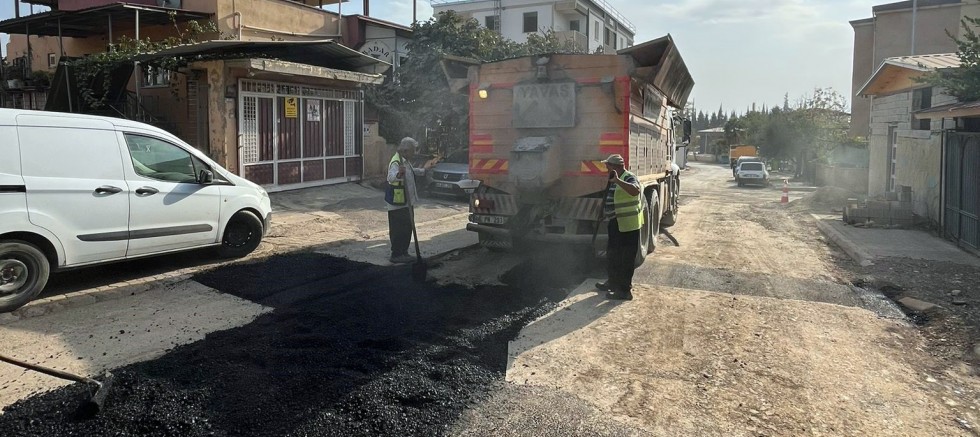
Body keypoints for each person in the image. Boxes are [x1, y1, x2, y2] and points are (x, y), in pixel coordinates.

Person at [595, 154, 643, 300]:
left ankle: (624, 291)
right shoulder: (613, 178)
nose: (606, 167)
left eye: (608, 165)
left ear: (615, 167)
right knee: (613, 255)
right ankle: (613, 283)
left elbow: (635, 190)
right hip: (616, 223)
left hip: (628, 225)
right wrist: (604, 211)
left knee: (626, 258)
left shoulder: (628, 177)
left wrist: (617, 180)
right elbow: (612, 197)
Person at [386, 137, 438, 264]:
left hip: (406, 203)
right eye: (413, 150)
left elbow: (410, 172)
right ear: (406, 150)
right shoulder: (396, 162)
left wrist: (424, 170)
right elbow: (390, 178)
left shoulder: (405, 161)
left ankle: (404, 252)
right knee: (399, 230)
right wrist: (399, 174)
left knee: (407, 229)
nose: (415, 153)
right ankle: (396, 254)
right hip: (398, 204)